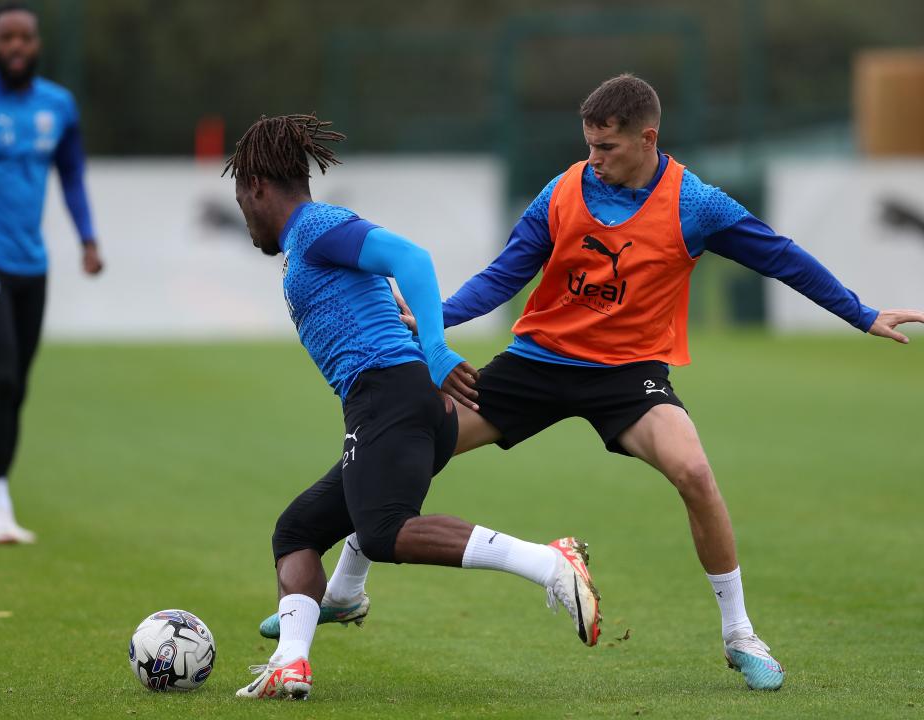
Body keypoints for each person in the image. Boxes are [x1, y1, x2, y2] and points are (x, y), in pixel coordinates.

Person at [270, 74, 924, 691]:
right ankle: (345, 590)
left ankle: (741, 635)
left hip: (629, 376)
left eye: (606, 147)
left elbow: (782, 255)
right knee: (408, 441)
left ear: (647, 139)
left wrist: (860, 313)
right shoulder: (563, 192)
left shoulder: (695, 204)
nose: (594, 159)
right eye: (588, 145)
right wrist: (437, 317)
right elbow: (504, 276)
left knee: (695, 474)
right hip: (537, 363)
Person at [224, 113, 602, 701]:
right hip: (390, 403)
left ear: (255, 188)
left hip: (392, 396)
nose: (245, 216)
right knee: (297, 531)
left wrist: (434, 349)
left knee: (381, 531)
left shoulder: (318, 226)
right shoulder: (305, 243)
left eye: (241, 199)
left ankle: (549, 563)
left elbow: (413, 258)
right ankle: (291, 663)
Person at [0, 2, 103, 544]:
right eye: (6, 38)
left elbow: (70, 175)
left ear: (37, 44)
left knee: (15, 386)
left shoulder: (57, 105)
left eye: (25, 38)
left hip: (32, 263)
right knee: (0, 377)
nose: (16, 47)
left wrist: (87, 238)